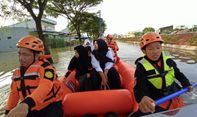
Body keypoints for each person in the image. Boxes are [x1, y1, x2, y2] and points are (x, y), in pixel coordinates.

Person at [133, 32, 193, 116]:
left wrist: (186, 83)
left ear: (161, 47)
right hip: (156, 98)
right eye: (150, 49)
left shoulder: (168, 60)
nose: (155, 52)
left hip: (172, 93)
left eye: (158, 48)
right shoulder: (141, 66)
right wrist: (142, 97)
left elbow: (178, 73)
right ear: (144, 51)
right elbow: (139, 85)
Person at [5, 36, 63, 117]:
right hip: (30, 107)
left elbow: (45, 86)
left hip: (50, 106)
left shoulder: (46, 68)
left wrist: (26, 103)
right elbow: (14, 93)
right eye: (20, 54)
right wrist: (8, 111)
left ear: (36, 56)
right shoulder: (17, 72)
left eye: (25, 55)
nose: (21, 58)